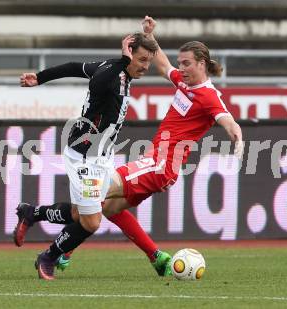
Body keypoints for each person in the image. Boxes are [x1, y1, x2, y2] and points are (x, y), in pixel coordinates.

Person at [15, 16, 243, 279]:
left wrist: (236, 136)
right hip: (150, 161)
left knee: (93, 205)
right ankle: (151, 257)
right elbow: (163, 64)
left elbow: (227, 119)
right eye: (180, 63)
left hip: (159, 166)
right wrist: (150, 34)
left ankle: (53, 245)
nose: (180, 69)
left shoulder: (209, 95)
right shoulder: (183, 82)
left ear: (202, 64)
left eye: (187, 64)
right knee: (104, 209)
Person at [16, 32, 170, 281]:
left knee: (81, 214)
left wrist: (41, 77)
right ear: (128, 53)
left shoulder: (115, 70)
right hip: (84, 157)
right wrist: (121, 61)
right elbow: (96, 85)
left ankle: (33, 213)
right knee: (92, 222)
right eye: (141, 60)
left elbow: (74, 67)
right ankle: (48, 256)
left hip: (102, 157)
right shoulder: (111, 72)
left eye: (148, 62)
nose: (145, 67)